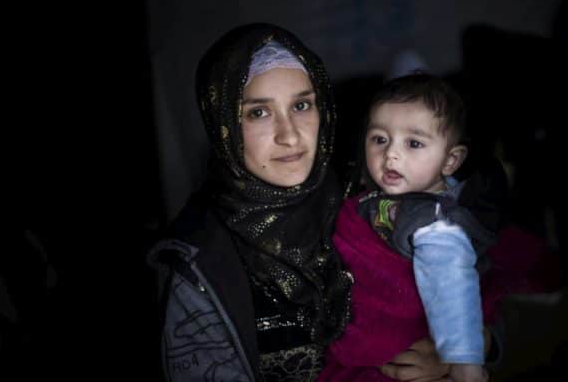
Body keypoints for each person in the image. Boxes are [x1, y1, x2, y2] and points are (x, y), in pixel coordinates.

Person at [147, 23, 455, 382]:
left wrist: (457, 352)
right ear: (223, 125)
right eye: (258, 112)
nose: (290, 134)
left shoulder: (368, 207)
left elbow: (477, 292)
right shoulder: (201, 260)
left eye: (302, 105)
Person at [320, 74, 498, 382]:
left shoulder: (433, 220)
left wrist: (463, 363)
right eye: (379, 139)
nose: (391, 154)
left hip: (406, 358)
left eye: (413, 143)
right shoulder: (372, 194)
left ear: (450, 160)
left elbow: (452, 287)